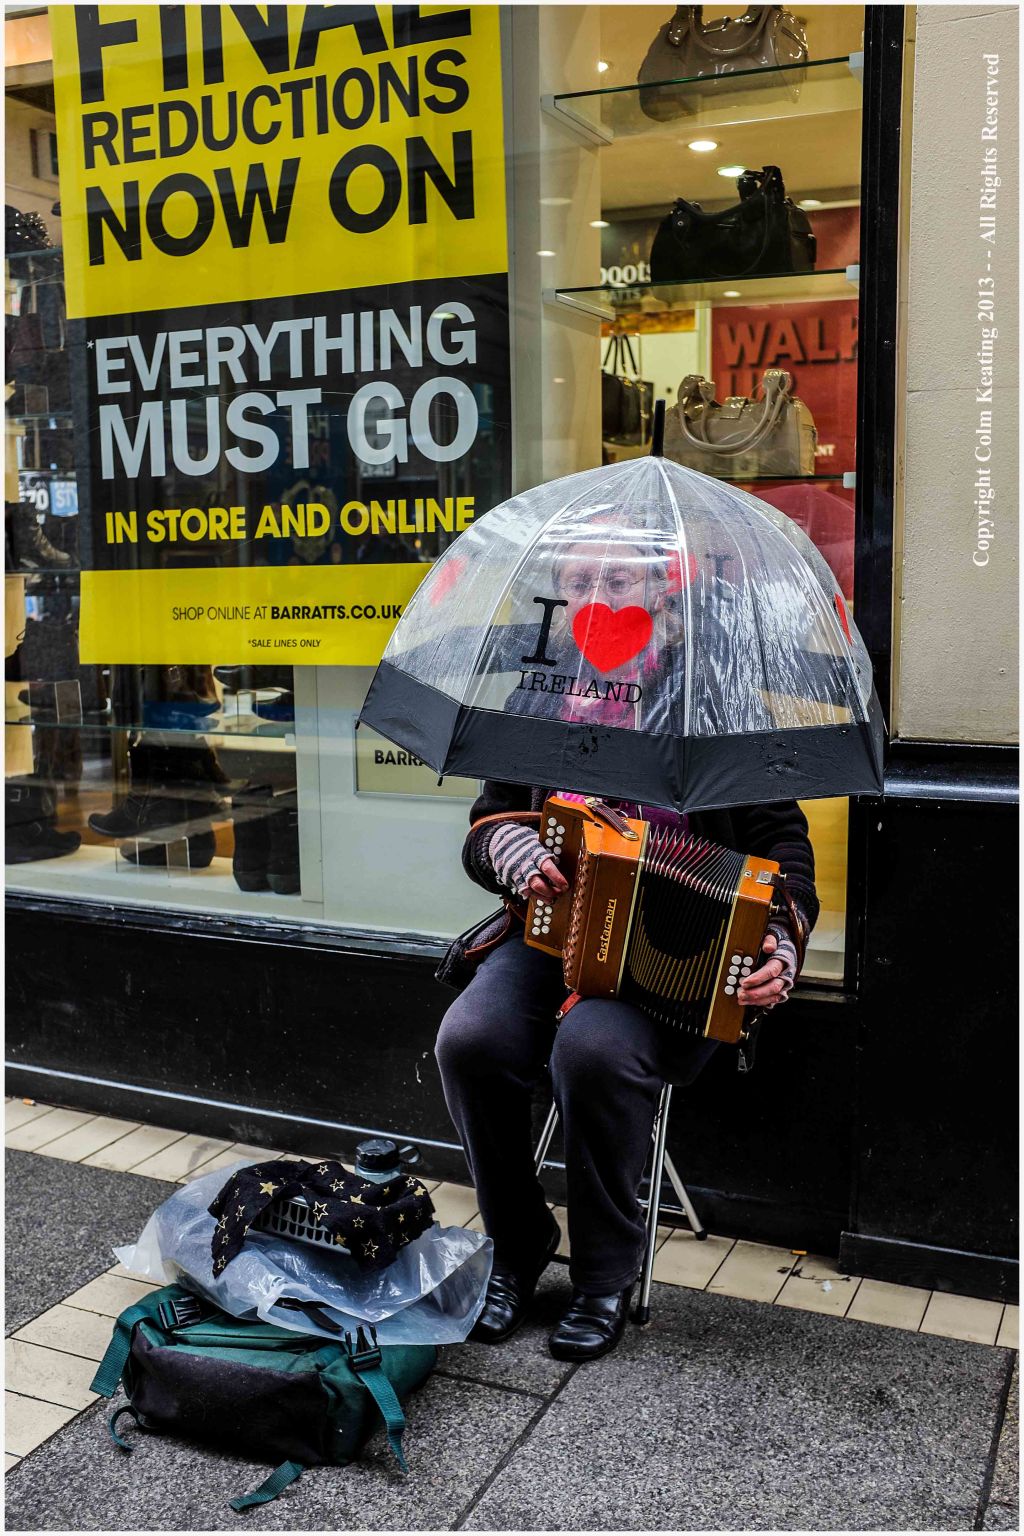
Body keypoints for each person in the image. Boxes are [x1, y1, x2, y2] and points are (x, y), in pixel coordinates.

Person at [434, 531, 817, 1362]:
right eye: (583, 575)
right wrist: (510, 852)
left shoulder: (720, 701)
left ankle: (604, 1274)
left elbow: (787, 852)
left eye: (623, 575)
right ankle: (518, 1241)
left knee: (594, 1050)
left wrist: (781, 942)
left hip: (674, 963)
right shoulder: (539, 695)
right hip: (555, 938)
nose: (600, 589)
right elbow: (486, 825)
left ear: (667, 594)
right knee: (470, 1040)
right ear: (562, 593)